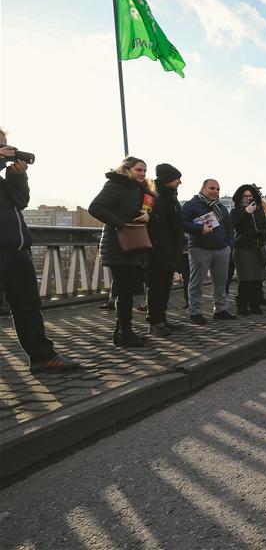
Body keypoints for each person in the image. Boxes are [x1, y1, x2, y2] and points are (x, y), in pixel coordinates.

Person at [0, 128, 80, 371]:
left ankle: (42, 357)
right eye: (3, 147)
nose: (8, 151)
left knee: (28, 306)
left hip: (17, 249)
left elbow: (21, 202)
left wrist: (17, 177)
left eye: (7, 146)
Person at [88, 156, 154, 347]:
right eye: (138, 170)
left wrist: (147, 215)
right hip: (119, 246)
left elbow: (141, 211)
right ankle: (124, 334)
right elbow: (95, 207)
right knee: (124, 293)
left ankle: (123, 332)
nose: (142, 174)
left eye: (144, 171)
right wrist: (121, 224)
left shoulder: (139, 189)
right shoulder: (115, 185)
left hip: (133, 244)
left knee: (126, 292)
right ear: (126, 169)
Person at [181, 179, 236, 324]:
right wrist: (199, 229)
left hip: (222, 249)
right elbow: (180, 223)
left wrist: (229, 245)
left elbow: (229, 228)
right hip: (199, 248)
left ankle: (220, 310)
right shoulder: (191, 205)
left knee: (221, 282)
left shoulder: (221, 207)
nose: (215, 191)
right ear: (203, 188)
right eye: (212, 188)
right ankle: (195, 312)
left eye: (218, 189)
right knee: (196, 282)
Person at [146, 163, 184, 336]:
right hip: (158, 249)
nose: (180, 182)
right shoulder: (154, 195)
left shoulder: (171, 196)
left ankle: (162, 319)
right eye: (177, 178)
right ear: (168, 179)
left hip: (171, 249)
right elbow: (149, 220)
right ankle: (154, 322)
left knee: (165, 286)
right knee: (156, 287)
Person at [230, 185, 266, 315]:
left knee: (258, 279)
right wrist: (245, 212)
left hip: (257, 248)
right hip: (243, 248)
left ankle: (255, 305)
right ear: (240, 197)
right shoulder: (236, 211)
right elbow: (235, 225)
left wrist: (263, 233)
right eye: (245, 196)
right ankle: (242, 306)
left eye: (250, 196)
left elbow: (265, 227)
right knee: (245, 279)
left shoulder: (259, 211)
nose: (248, 198)